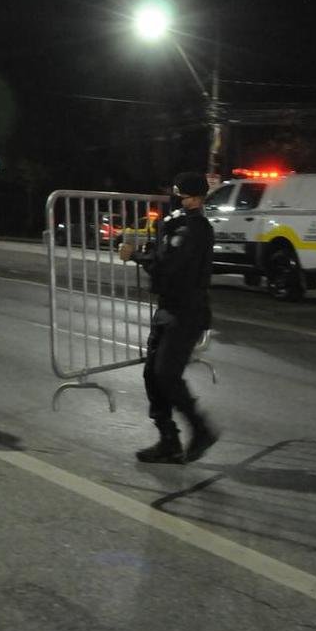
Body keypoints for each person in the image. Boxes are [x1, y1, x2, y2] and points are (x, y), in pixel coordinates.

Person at [117, 171, 218, 464]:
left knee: (166, 374)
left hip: (187, 312)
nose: (176, 198)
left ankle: (201, 430)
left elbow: (170, 266)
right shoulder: (178, 223)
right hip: (167, 309)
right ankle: (168, 439)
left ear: (196, 197)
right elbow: (161, 252)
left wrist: (135, 255)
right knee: (152, 374)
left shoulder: (196, 229)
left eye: (181, 194)